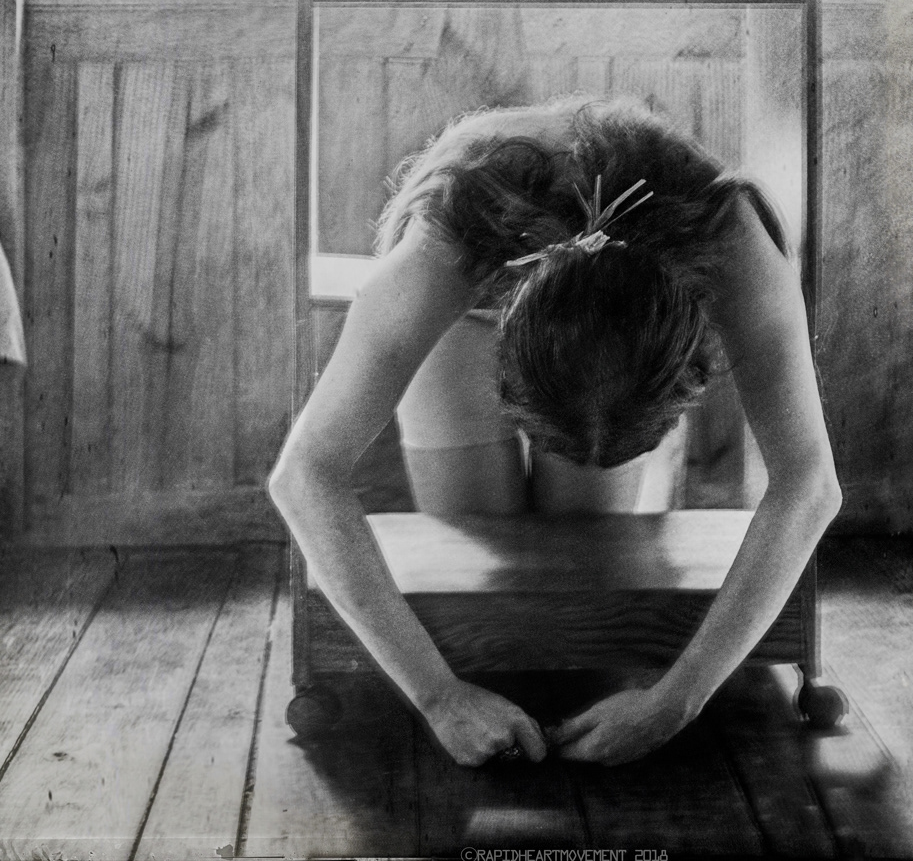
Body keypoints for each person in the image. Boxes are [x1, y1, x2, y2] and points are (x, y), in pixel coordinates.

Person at [268, 94, 841, 767]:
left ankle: (638, 486)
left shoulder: (731, 245)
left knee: (585, 546)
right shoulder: (444, 248)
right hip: (475, 287)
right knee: (483, 546)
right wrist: (439, 696)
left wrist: (678, 699)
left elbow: (810, 485)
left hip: (643, 278)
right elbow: (303, 476)